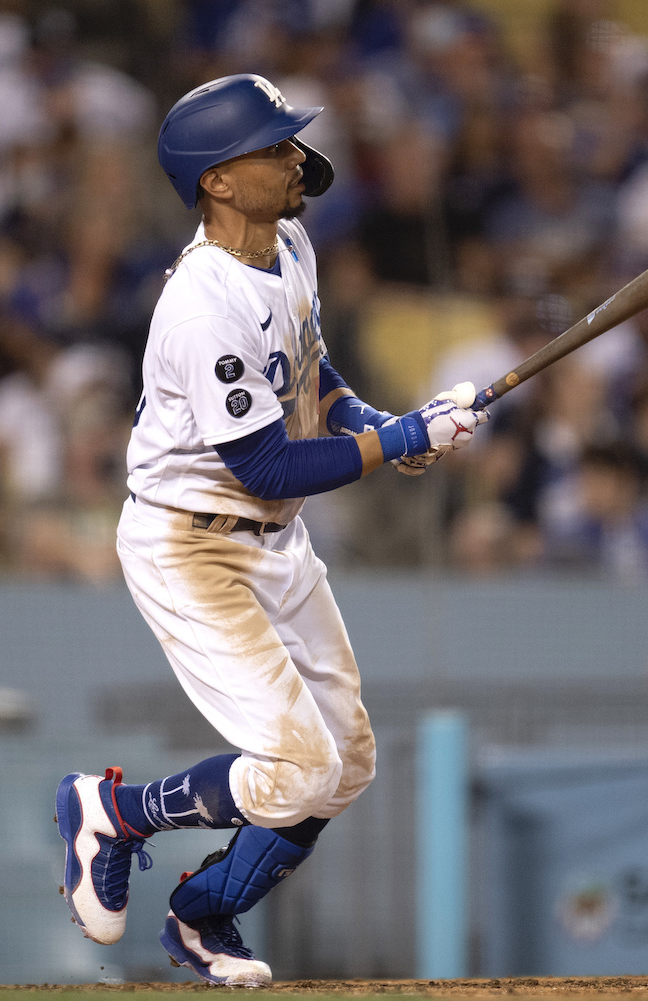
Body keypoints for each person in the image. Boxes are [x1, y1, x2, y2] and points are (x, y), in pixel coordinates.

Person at [53, 74, 488, 987]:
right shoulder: (201, 302)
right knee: (295, 767)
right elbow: (265, 465)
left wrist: (369, 423)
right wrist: (395, 441)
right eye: (273, 144)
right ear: (216, 179)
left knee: (347, 761)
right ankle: (115, 811)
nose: (296, 156)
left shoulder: (288, 242)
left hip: (273, 539)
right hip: (191, 540)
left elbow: (308, 368)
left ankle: (202, 917)